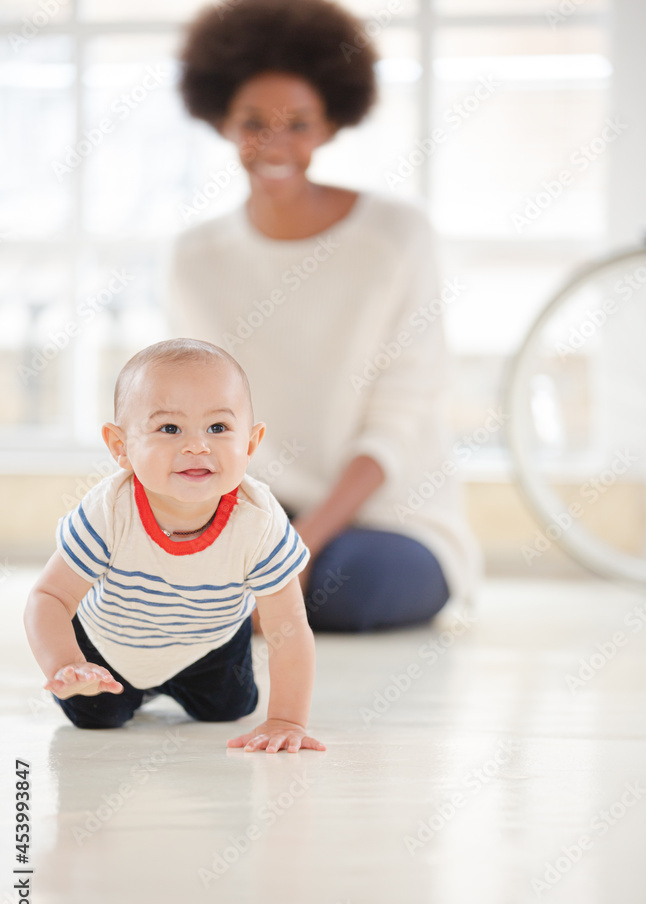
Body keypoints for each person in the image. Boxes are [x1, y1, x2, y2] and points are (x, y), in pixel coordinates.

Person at [169, 0, 483, 633]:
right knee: (146, 565)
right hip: (259, 514)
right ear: (222, 121)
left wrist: (303, 545)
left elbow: (399, 418)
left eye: (298, 124)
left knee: (354, 583)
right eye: (253, 122)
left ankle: (244, 602)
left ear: (332, 124)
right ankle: (242, 598)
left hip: (388, 522)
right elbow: (196, 415)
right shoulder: (196, 256)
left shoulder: (396, 235)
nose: (275, 144)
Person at [23, 339, 326, 754]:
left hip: (211, 645)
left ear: (251, 444)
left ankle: (197, 684)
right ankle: (104, 685)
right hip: (110, 646)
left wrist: (286, 720)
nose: (197, 446)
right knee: (97, 718)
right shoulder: (109, 511)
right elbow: (49, 597)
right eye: (170, 429)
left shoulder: (258, 521)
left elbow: (287, 626)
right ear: (120, 447)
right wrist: (67, 663)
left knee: (229, 708)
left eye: (217, 428)